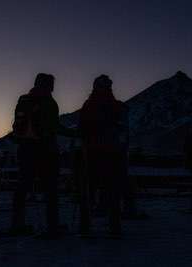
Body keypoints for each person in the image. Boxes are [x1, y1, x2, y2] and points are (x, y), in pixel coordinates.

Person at [4, 73, 74, 238]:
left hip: (24, 148)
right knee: (50, 188)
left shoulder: (23, 99)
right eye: (51, 84)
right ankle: (52, 225)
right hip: (45, 150)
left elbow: (18, 123)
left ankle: (17, 224)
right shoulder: (49, 102)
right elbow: (54, 127)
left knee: (22, 186)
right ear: (49, 86)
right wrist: (76, 134)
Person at [79, 75, 124, 237]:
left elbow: (82, 128)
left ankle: (85, 226)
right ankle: (114, 226)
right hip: (111, 152)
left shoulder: (89, 105)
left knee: (90, 189)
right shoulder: (115, 106)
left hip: (92, 152)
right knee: (111, 189)